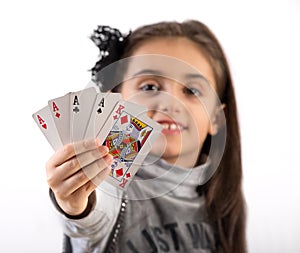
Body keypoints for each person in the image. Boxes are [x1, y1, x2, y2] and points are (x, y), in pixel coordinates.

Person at [46, 20, 247, 253]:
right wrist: (77, 202)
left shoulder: (224, 205)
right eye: (149, 87)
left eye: (192, 91)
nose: (171, 103)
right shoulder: (109, 187)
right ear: (115, 102)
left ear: (215, 118)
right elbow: (93, 216)